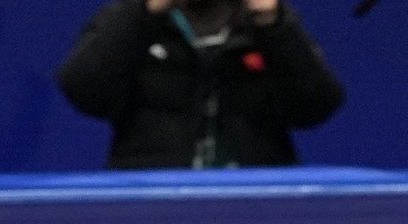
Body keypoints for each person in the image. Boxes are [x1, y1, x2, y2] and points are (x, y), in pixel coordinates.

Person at [57, 0, 345, 170]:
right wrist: (144, 12)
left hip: (254, 205)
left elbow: (315, 107)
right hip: (152, 204)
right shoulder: (131, 20)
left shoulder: (268, 26)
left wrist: (273, 23)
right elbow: (85, 92)